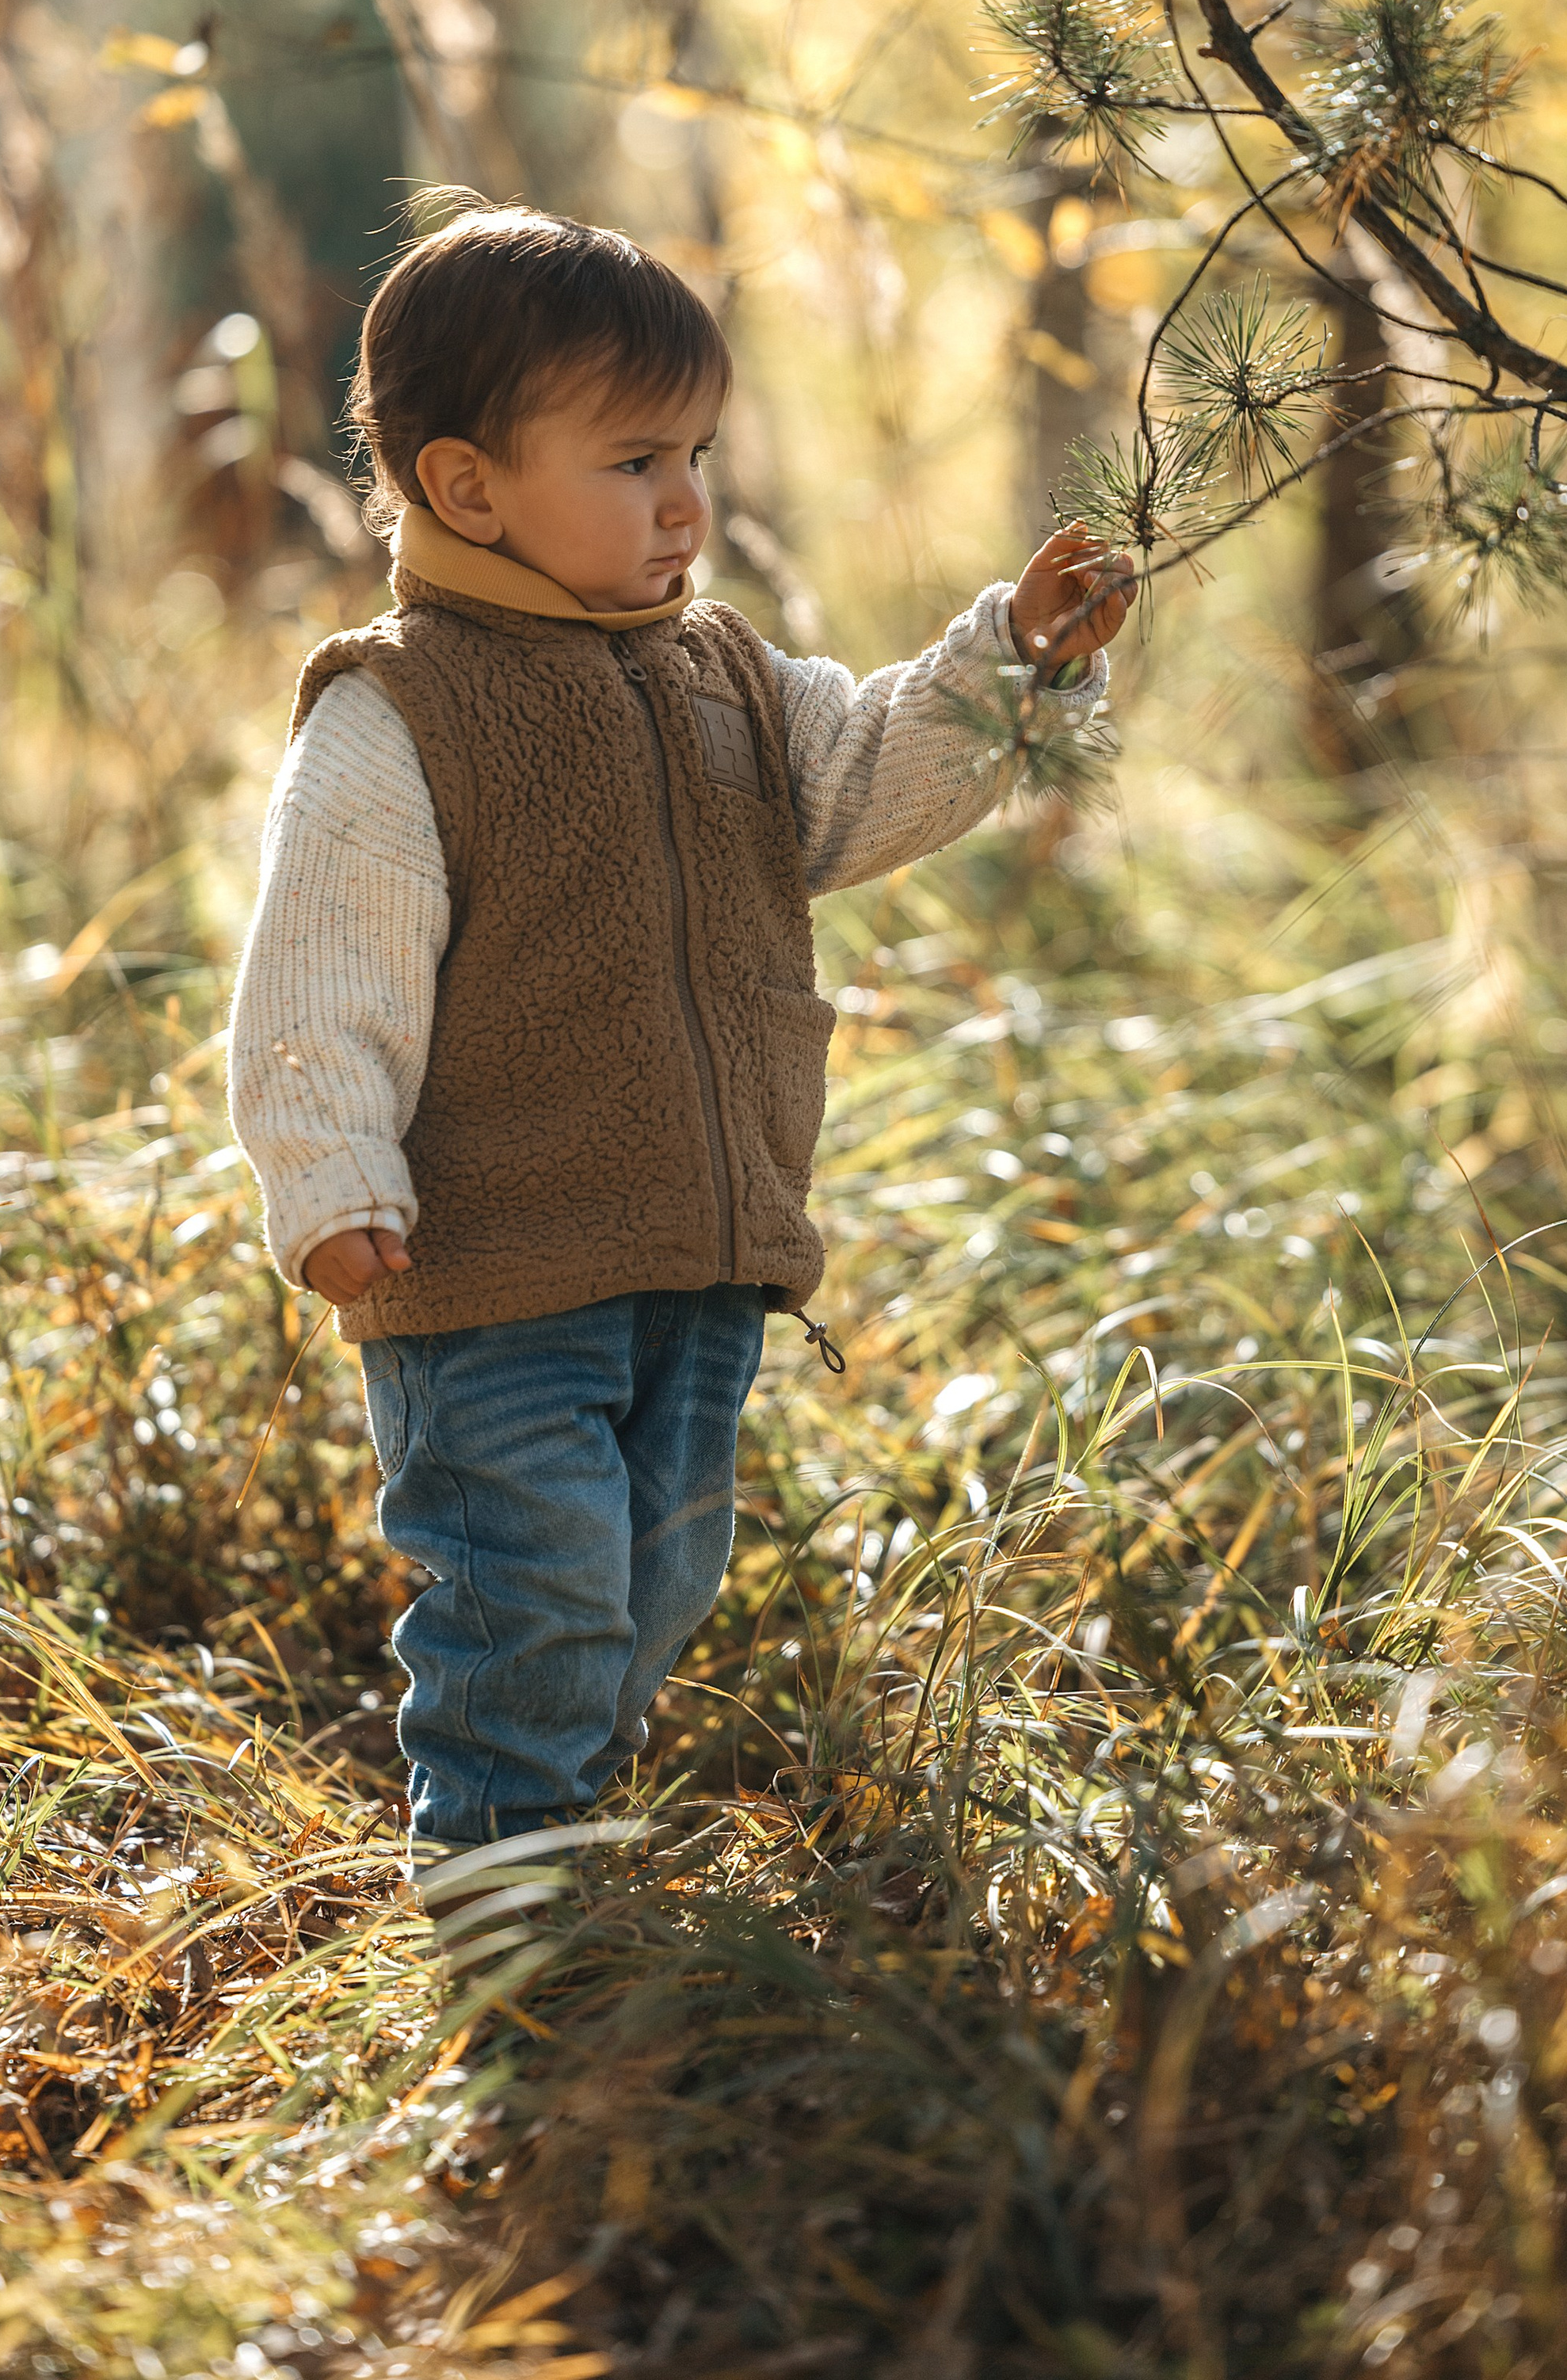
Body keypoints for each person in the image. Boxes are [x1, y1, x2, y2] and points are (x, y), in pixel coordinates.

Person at [227, 206, 1127, 1920]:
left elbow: (866, 775)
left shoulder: (723, 675)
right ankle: (501, 1897)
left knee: (657, 1571)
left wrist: (1008, 661)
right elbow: (321, 977)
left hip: (697, 1253)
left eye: (695, 455)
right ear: (468, 487)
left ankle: (567, 1817)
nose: (686, 505)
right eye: (634, 461)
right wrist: (331, 1179)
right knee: (535, 1586)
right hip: (493, 1269)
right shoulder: (401, 711)